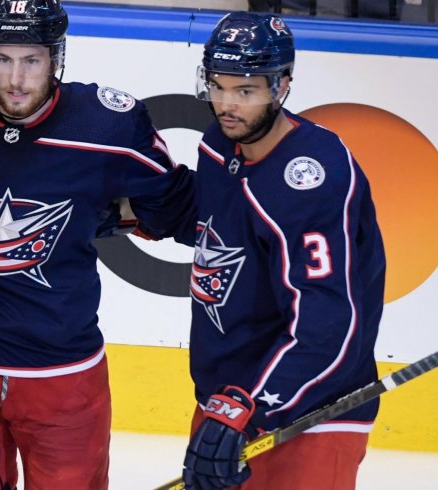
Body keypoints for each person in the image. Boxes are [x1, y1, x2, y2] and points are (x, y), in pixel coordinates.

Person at [0, 1, 195, 488]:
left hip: (63, 376)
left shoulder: (107, 127)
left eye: (32, 61)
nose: (16, 79)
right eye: (3, 59)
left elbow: (175, 207)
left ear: (56, 59)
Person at [181, 12, 385, 490]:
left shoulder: (314, 177)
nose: (227, 104)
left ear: (281, 86)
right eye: (218, 86)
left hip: (312, 416)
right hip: (227, 403)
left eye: (245, 91)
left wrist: (251, 405)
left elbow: (329, 323)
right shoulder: (218, 144)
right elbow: (220, 220)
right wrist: (139, 211)